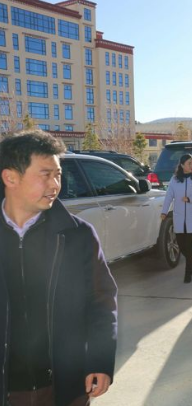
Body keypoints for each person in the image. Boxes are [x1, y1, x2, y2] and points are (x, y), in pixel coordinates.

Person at [0, 130, 118, 406]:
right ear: (10, 178)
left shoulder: (77, 235)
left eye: (58, 175)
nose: (55, 185)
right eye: (45, 175)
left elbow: (102, 302)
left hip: (65, 386)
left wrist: (100, 360)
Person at [161, 154, 192, 283]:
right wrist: (164, 211)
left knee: (189, 246)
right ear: (182, 165)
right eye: (189, 163)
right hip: (179, 217)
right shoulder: (175, 180)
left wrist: (190, 199)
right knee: (181, 245)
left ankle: (188, 273)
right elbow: (169, 196)